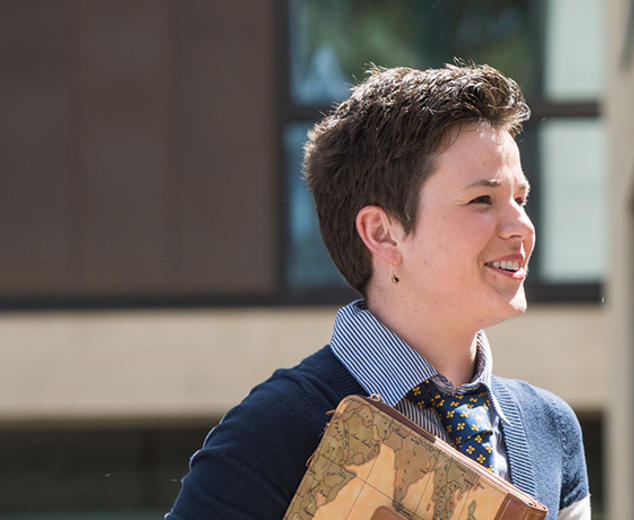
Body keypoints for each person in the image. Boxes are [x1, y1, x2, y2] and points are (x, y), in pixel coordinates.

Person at [167, 64, 591, 520]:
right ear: (383, 233)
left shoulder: (551, 428)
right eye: (482, 200)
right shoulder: (271, 428)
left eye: (520, 199)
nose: (522, 226)